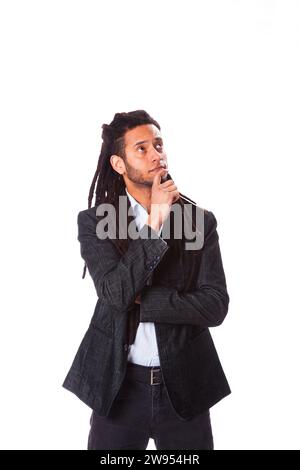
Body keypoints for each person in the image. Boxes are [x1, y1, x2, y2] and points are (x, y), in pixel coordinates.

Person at [62, 110, 231, 450]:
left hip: (184, 386)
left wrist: (144, 301)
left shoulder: (199, 221)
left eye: (158, 144)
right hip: (119, 388)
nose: (156, 154)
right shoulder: (95, 223)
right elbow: (114, 294)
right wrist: (155, 220)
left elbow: (215, 306)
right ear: (118, 164)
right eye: (142, 148)